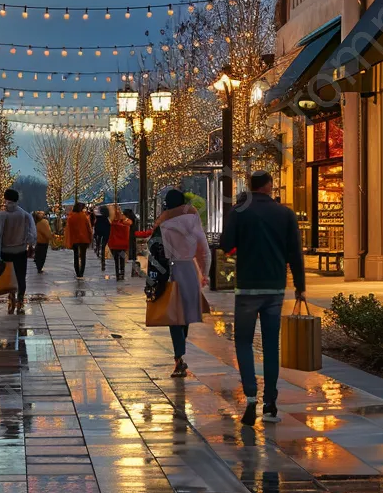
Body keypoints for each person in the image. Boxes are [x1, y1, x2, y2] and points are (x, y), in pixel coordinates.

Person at [222, 170, 306, 426]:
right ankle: (270, 403)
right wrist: (300, 286)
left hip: (247, 286)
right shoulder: (285, 214)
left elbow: (226, 245)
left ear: (251, 186)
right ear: (270, 186)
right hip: (274, 288)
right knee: (271, 345)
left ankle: (249, 396)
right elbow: (295, 253)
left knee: (244, 342)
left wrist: (242, 246)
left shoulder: (238, 212)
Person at [153, 189, 211, 378]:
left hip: (171, 270)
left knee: (174, 316)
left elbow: (154, 250)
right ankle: (180, 354)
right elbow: (204, 250)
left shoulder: (163, 222)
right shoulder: (192, 219)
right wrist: (204, 273)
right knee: (184, 315)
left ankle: (178, 356)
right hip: (190, 269)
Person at [0, 188, 36, 315]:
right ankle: (20, 300)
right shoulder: (24, 215)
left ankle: (11, 298)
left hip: (6, 251)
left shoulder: (2, 216)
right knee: (21, 276)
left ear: (6, 199)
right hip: (20, 250)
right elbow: (32, 233)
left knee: (8, 277)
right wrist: (30, 244)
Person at [65, 202, 93, 278]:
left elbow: (68, 229)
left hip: (74, 239)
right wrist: (90, 238)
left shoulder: (70, 217)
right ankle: (81, 272)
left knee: (76, 256)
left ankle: (77, 271)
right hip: (84, 239)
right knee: (83, 256)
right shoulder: (84, 216)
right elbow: (89, 228)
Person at [107, 205, 132, 281]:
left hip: (114, 245)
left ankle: (117, 273)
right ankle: (122, 273)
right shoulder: (126, 223)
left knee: (116, 260)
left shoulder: (112, 224)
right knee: (122, 259)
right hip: (122, 245)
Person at [93, 205, 111, 274]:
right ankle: (103, 260)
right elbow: (109, 228)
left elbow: (96, 227)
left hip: (99, 233)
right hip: (106, 233)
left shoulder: (98, 218)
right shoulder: (107, 219)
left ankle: (101, 256)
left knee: (100, 245)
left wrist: (95, 234)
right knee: (103, 246)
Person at [123, 207, 140, 276]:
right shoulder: (134, 219)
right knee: (132, 249)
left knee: (130, 249)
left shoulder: (128, 221)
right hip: (133, 236)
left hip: (129, 235)